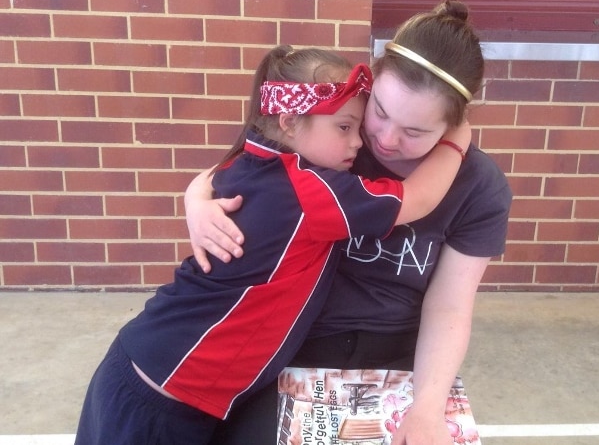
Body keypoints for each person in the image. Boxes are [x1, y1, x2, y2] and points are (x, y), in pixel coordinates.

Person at [74, 45, 470, 445]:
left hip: (153, 372)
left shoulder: (251, 159)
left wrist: (194, 196)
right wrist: (455, 141)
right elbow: (418, 198)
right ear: (289, 121)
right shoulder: (310, 192)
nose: (359, 143)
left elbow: (211, 174)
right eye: (344, 128)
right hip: (160, 398)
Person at [186, 0, 512, 445]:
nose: (384, 139)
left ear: (454, 127)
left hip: (397, 352)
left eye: (415, 133)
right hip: (295, 339)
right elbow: (255, 167)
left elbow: (451, 306)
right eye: (379, 109)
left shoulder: (479, 186)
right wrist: (196, 195)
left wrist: (428, 408)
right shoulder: (337, 138)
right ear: (371, 83)